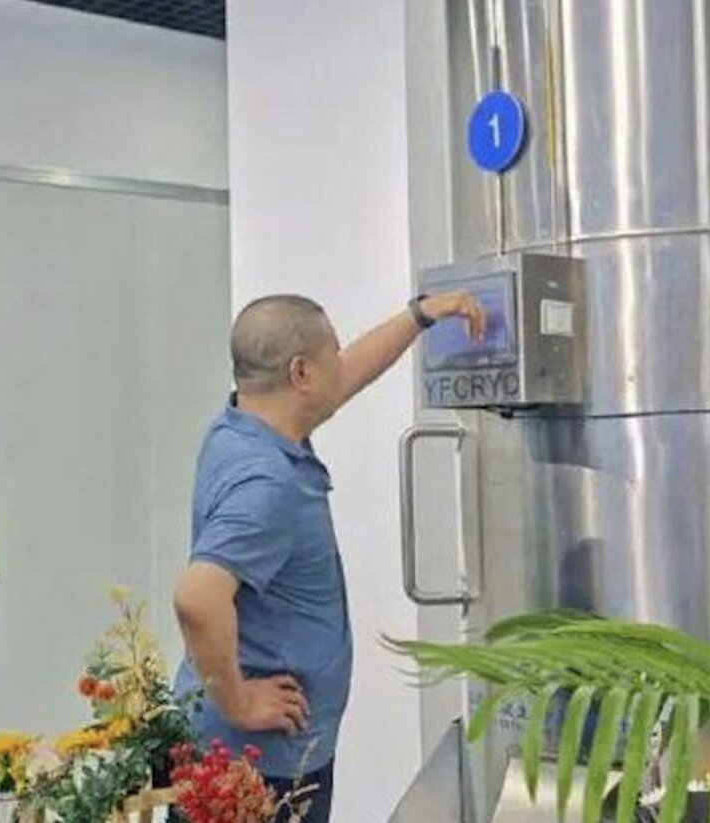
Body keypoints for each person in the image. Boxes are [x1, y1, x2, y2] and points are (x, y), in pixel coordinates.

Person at [172, 290, 485, 823]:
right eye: (331, 354)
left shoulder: (240, 428)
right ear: (300, 374)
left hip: (246, 754)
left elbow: (344, 378)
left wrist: (420, 315)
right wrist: (239, 701)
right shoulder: (268, 483)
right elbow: (197, 598)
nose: (341, 363)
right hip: (257, 768)